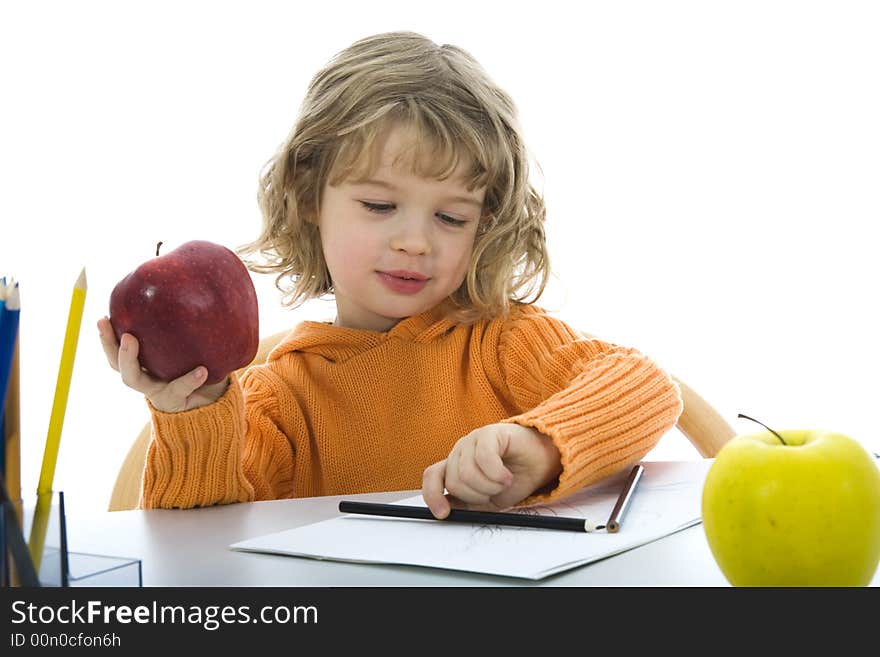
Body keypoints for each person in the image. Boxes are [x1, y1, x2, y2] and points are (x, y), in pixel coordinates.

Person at [97, 31, 683, 516]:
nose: (413, 242)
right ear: (307, 197)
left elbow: (646, 388)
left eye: (451, 217)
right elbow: (197, 547)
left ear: (487, 224)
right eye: (379, 206)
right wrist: (197, 412)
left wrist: (540, 445)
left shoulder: (504, 345)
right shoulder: (278, 398)